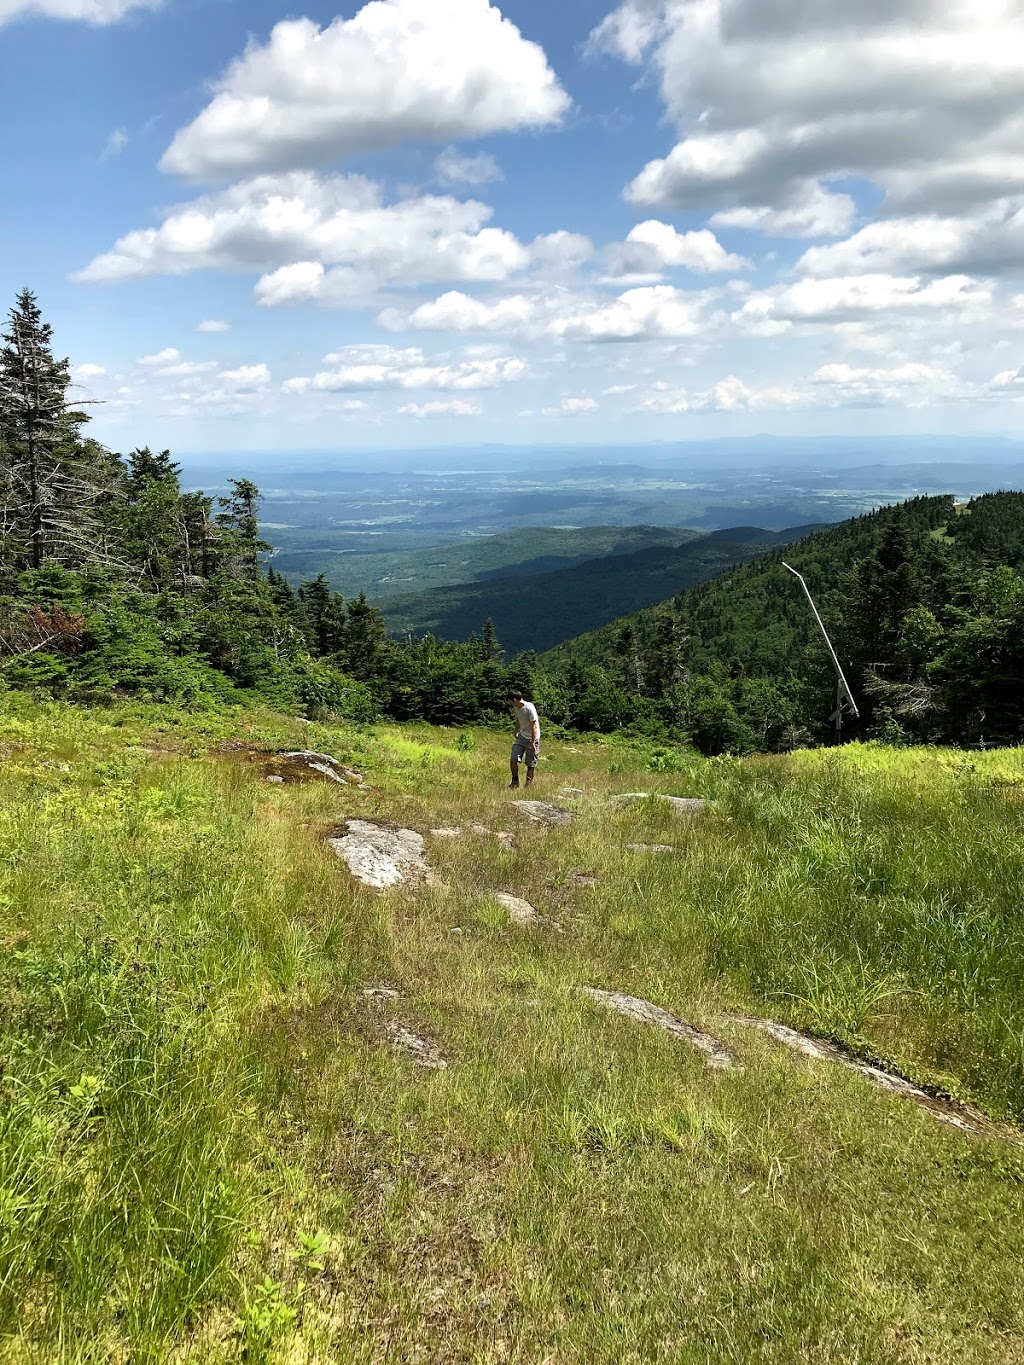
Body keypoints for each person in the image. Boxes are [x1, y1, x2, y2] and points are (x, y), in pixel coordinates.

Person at [507, 689, 540, 789]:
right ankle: (515, 781)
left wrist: (533, 743)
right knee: (513, 759)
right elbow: (518, 720)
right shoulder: (516, 707)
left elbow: (534, 726)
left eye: (509, 700)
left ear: (515, 700)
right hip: (522, 737)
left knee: (531, 764)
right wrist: (516, 731)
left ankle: (527, 786)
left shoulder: (530, 708)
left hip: (532, 738)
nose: (508, 703)